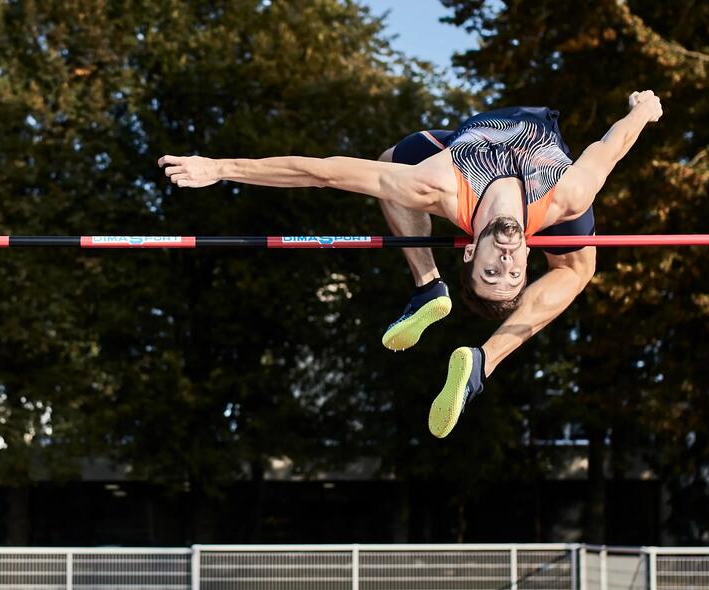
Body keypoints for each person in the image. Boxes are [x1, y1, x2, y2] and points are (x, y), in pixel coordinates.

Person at [158, 91, 663, 438]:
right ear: (530, 250)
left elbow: (325, 173)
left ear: (470, 249)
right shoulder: (566, 196)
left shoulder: (433, 183)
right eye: (512, 272)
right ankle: (450, 318)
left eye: (493, 271)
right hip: (529, 156)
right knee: (577, 269)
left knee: (391, 164)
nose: (506, 261)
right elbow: (611, 143)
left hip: (465, 148)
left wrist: (220, 168)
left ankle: (451, 318)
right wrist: (642, 110)